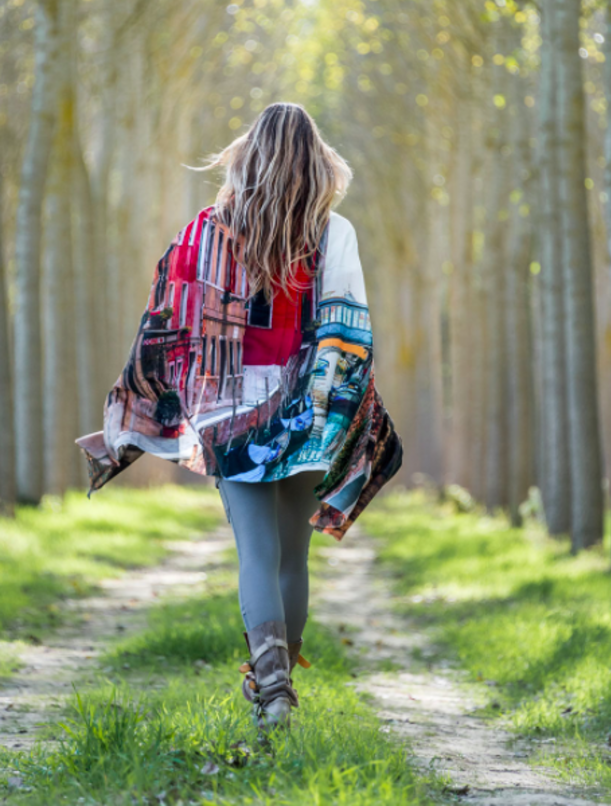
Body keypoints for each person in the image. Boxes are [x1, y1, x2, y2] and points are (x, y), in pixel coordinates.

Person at [76, 102, 402, 730]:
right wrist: (343, 414)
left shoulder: (205, 230)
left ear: (248, 157)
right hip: (308, 410)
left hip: (229, 412)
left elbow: (167, 322)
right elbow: (349, 329)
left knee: (256, 553)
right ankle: (280, 689)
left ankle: (271, 691)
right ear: (316, 162)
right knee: (292, 555)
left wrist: (141, 405)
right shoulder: (335, 232)